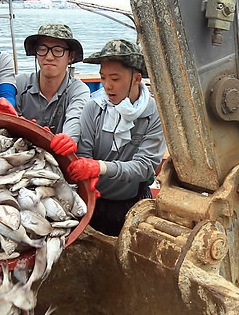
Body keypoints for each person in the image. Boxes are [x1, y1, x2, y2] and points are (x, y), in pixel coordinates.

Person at [67, 39, 166, 237]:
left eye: (115, 78)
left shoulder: (154, 114)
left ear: (137, 79)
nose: (107, 86)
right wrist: (87, 181)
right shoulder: (92, 107)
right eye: (102, 78)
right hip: (93, 199)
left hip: (133, 201)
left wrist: (100, 167)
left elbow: (144, 166)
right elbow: (84, 154)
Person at [16, 24, 90, 155]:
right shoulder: (20, 84)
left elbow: (75, 120)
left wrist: (67, 140)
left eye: (58, 50)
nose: (49, 57)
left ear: (71, 57)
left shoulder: (78, 90)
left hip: (59, 157)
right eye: (42, 49)